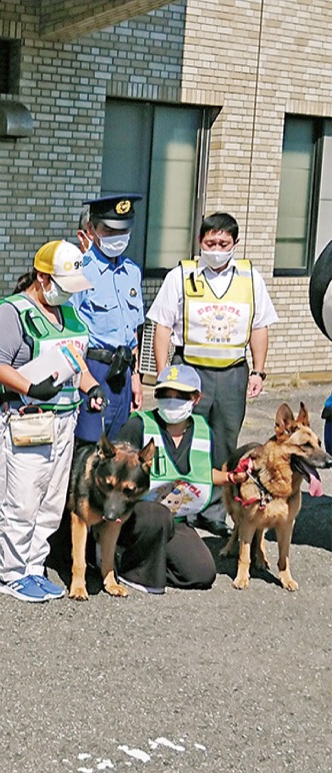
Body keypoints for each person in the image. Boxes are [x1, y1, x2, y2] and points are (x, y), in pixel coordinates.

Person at [0, 240, 107, 603]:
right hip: (27, 420)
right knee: (21, 499)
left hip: (65, 420)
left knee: (51, 501)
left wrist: (91, 386)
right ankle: (12, 573)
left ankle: (34, 566)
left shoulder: (66, 313)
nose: (68, 294)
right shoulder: (12, 311)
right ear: (42, 278)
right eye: (63, 286)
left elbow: (75, 359)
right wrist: (31, 386)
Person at [148, 212, 278, 537]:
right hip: (190, 370)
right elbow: (161, 326)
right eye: (210, 242)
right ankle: (182, 506)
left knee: (225, 440)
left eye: (223, 242)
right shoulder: (181, 275)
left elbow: (259, 327)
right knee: (185, 437)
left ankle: (216, 510)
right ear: (200, 242)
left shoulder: (250, 278)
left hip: (233, 373)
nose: (217, 248)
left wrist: (258, 370)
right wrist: (165, 373)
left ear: (235, 243)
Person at [111, 364, 246, 594]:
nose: (171, 401)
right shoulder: (139, 425)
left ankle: (147, 561)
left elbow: (202, 475)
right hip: (133, 517)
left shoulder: (203, 430)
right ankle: (131, 568)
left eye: (180, 395)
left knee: (202, 573)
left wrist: (234, 477)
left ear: (196, 398)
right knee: (158, 514)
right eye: (164, 394)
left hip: (177, 519)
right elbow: (111, 470)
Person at [72, 194, 145, 444]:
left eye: (123, 230)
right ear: (91, 230)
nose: (117, 237)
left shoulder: (132, 272)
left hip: (123, 371)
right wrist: (85, 379)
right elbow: (69, 332)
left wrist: (136, 377)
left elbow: (133, 332)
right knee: (89, 446)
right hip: (93, 368)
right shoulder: (79, 270)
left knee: (118, 447)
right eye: (109, 230)